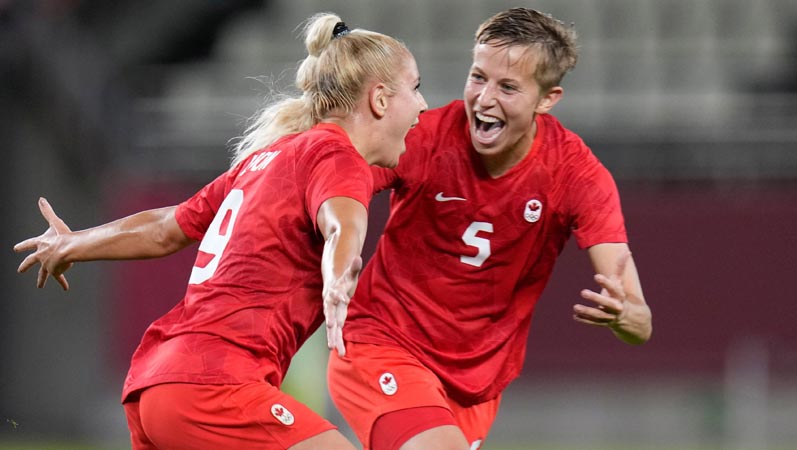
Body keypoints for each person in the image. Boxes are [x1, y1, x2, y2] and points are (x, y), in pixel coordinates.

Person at [14, 13, 427, 450]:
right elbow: (341, 220)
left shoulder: (268, 159)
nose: (422, 106)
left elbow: (164, 229)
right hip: (215, 384)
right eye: (415, 89)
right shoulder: (337, 157)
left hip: (158, 385)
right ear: (380, 99)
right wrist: (339, 272)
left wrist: (74, 242)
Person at [326, 8, 653, 450]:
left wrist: (630, 318)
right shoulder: (424, 138)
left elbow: (635, 311)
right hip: (383, 343)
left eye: (508, 87)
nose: (484, 99)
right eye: (478, 77)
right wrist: (340, 243)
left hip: (475, 384)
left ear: (547, 99)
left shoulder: (576, 176)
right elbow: (340, 183)